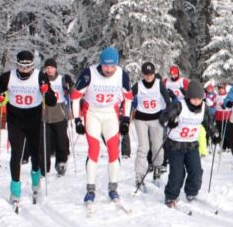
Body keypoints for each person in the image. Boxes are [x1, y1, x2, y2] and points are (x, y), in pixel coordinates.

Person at [0, 50, 57, 206]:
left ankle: (35, 182)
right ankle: (15, 190)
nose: (25, 69)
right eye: (22, 66)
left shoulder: (40, 77)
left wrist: (46, 92)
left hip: (33, 119)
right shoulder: (8, 77)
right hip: (15, 120)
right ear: (17, 64)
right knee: (16, 154)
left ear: (33, 65)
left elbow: (52, 101)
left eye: (28, 66)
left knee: (35, 153)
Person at [70, 47, 133, 204]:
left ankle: (113, 189)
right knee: (94, 150)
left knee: (113, 150)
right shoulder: (89, 73)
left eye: (112, 66)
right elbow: (75, 97)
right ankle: (90, 189)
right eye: (106, 66)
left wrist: (125, 119)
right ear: (101, 63)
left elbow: (129, 98)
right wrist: (77, 119)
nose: (109, 70)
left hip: (110, 114)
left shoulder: (121, 75)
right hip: (92, 113)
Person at [159, 80, 217, 207]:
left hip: (191, 145)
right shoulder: (179, 106)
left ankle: (191, 191)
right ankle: (170, 196)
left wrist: (214, 134)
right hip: (175, 145)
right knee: (177, 174)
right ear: (188, 97)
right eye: (194, 99)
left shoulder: (203, 108)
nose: (197, 102)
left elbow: (209, 123)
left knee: (196, 171)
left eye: (199, 99)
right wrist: (170, 122)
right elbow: (163, 118)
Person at [131, 61, 171, 190]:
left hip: (156, 119)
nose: (148, 76)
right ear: (142, 74)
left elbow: (167, 100)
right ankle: (139, 177)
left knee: (157, 147)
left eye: (151, 74)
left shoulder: (159, 84)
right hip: (141, 119)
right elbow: (128, 97)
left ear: (154, 73)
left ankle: (157, 173)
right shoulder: (138, 85)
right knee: (144, 147)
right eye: (146, 74)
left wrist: (169, 114)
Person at [43, 58, 73, 175]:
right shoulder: (42, 79)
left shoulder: (61, 79)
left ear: (55, 68)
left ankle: (61, 162)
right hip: (45, 113)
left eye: (51, 67)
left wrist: (70, 84)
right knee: (45, 141)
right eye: (47, 67)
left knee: (61, 139)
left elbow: (72, 92)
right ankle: (44, 165)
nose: (49, 70)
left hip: (59, 113)